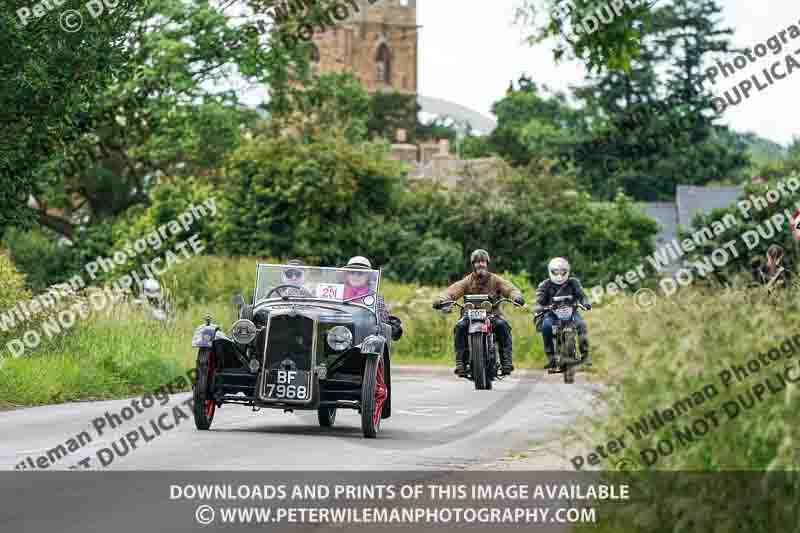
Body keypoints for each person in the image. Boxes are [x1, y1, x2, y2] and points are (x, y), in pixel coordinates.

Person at [433, 249, 524, 376]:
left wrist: (516, 297)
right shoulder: (467, 281)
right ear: (473, 264)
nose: (480, 264)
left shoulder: (495, 280)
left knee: (503, 326)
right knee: (460, 326)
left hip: (492, 315)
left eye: (482, 261)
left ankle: (506, 362)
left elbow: (510, 289)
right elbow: (452, 291)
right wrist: (441, 299)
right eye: (477, 262)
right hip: (469, 316)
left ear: (487, 263)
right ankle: (461, 363)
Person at [533, 257, 592, 369]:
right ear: (551, 271)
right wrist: (540, 308)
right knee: (546, 326)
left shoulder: (573, 282)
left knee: (581, 325)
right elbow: (539, 301)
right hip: (552, 314)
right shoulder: (545, 285)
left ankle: (585, 355)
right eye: (556, 272)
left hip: (571, 312)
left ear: (567, 271)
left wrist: (585, 303)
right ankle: (551, 358)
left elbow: (582, 295)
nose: (559, 275)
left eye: (562, 271)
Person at [342, 256, 403, 341]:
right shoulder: (339, 292)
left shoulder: (375, 296)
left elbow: (382, 321)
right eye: (352, 272)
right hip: (339, 334)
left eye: (360, 273)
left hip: (364, 338)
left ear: (368, 276)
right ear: (347, 275)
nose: (355, 276)